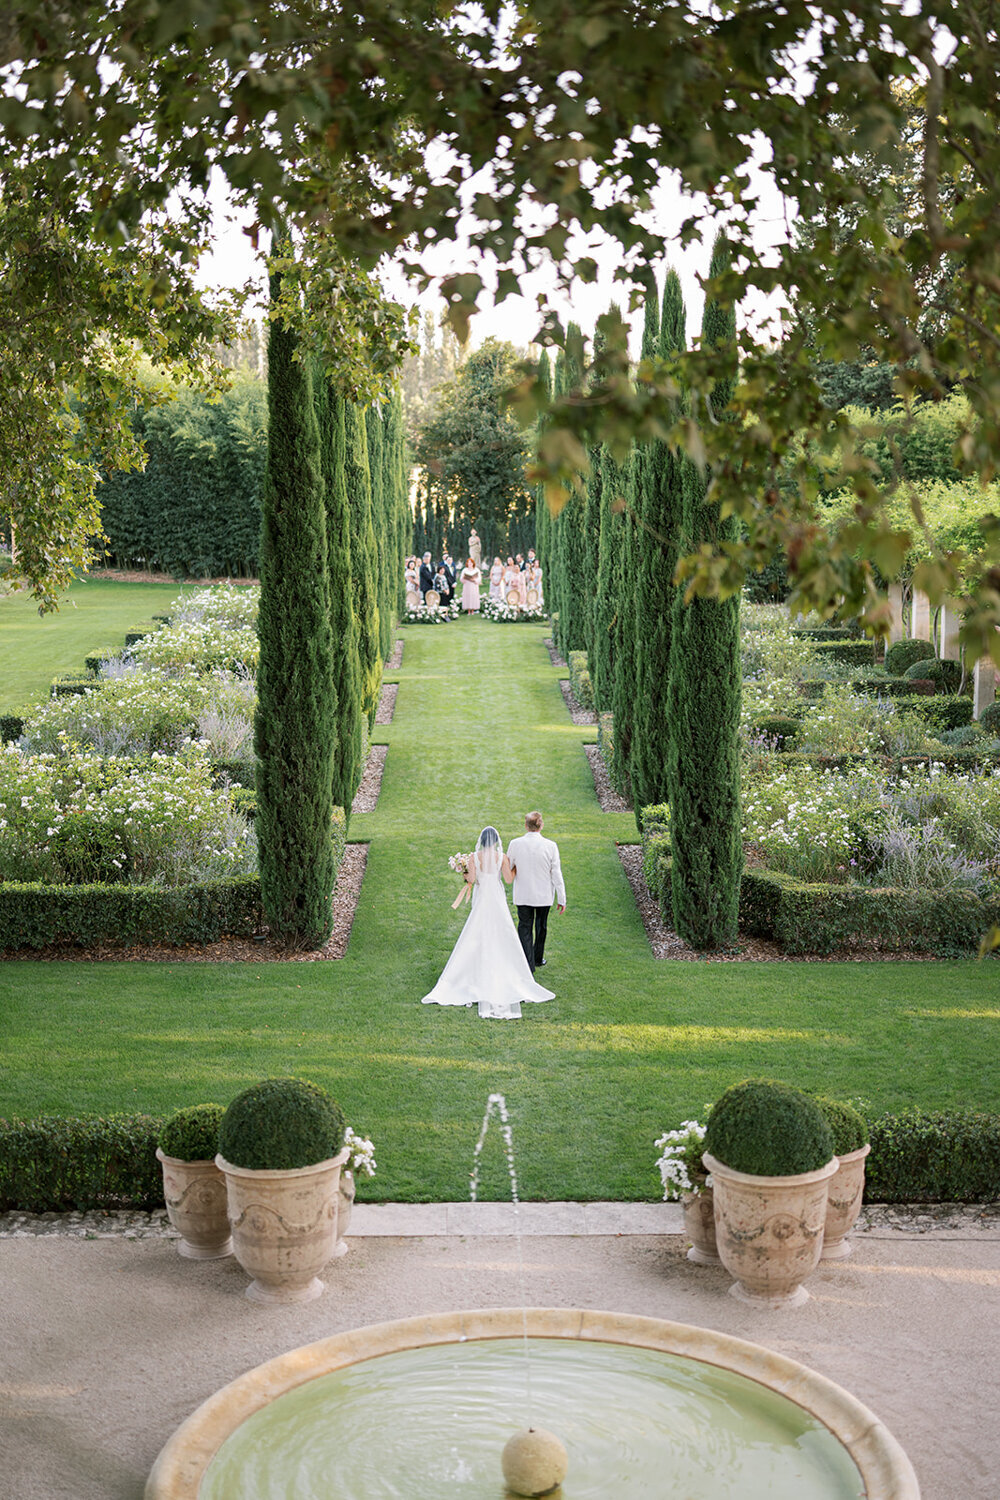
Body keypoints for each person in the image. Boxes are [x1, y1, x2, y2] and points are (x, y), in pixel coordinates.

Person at [422, 827, 555, 1019]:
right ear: (495, 842)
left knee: (476, 930)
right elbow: (509, 880)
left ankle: (471, 970)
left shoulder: (473, 857)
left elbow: (472, 879)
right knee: (502, 931)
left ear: (481, 841)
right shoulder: (502, 857)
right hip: (497, 897)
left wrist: (464, 872)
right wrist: (516, 867)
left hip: (483, 895)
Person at [506, 810, 566, 972]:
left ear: (526, 826)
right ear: (541, 825)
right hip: (543, 895)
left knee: (525, 927)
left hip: (523, 894)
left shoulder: (515, 844)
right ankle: (537, 958)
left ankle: (528, 962)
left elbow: (508, 868)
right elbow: (556, 873)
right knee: (541, 926)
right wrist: (562, 898)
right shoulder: (551, 846)